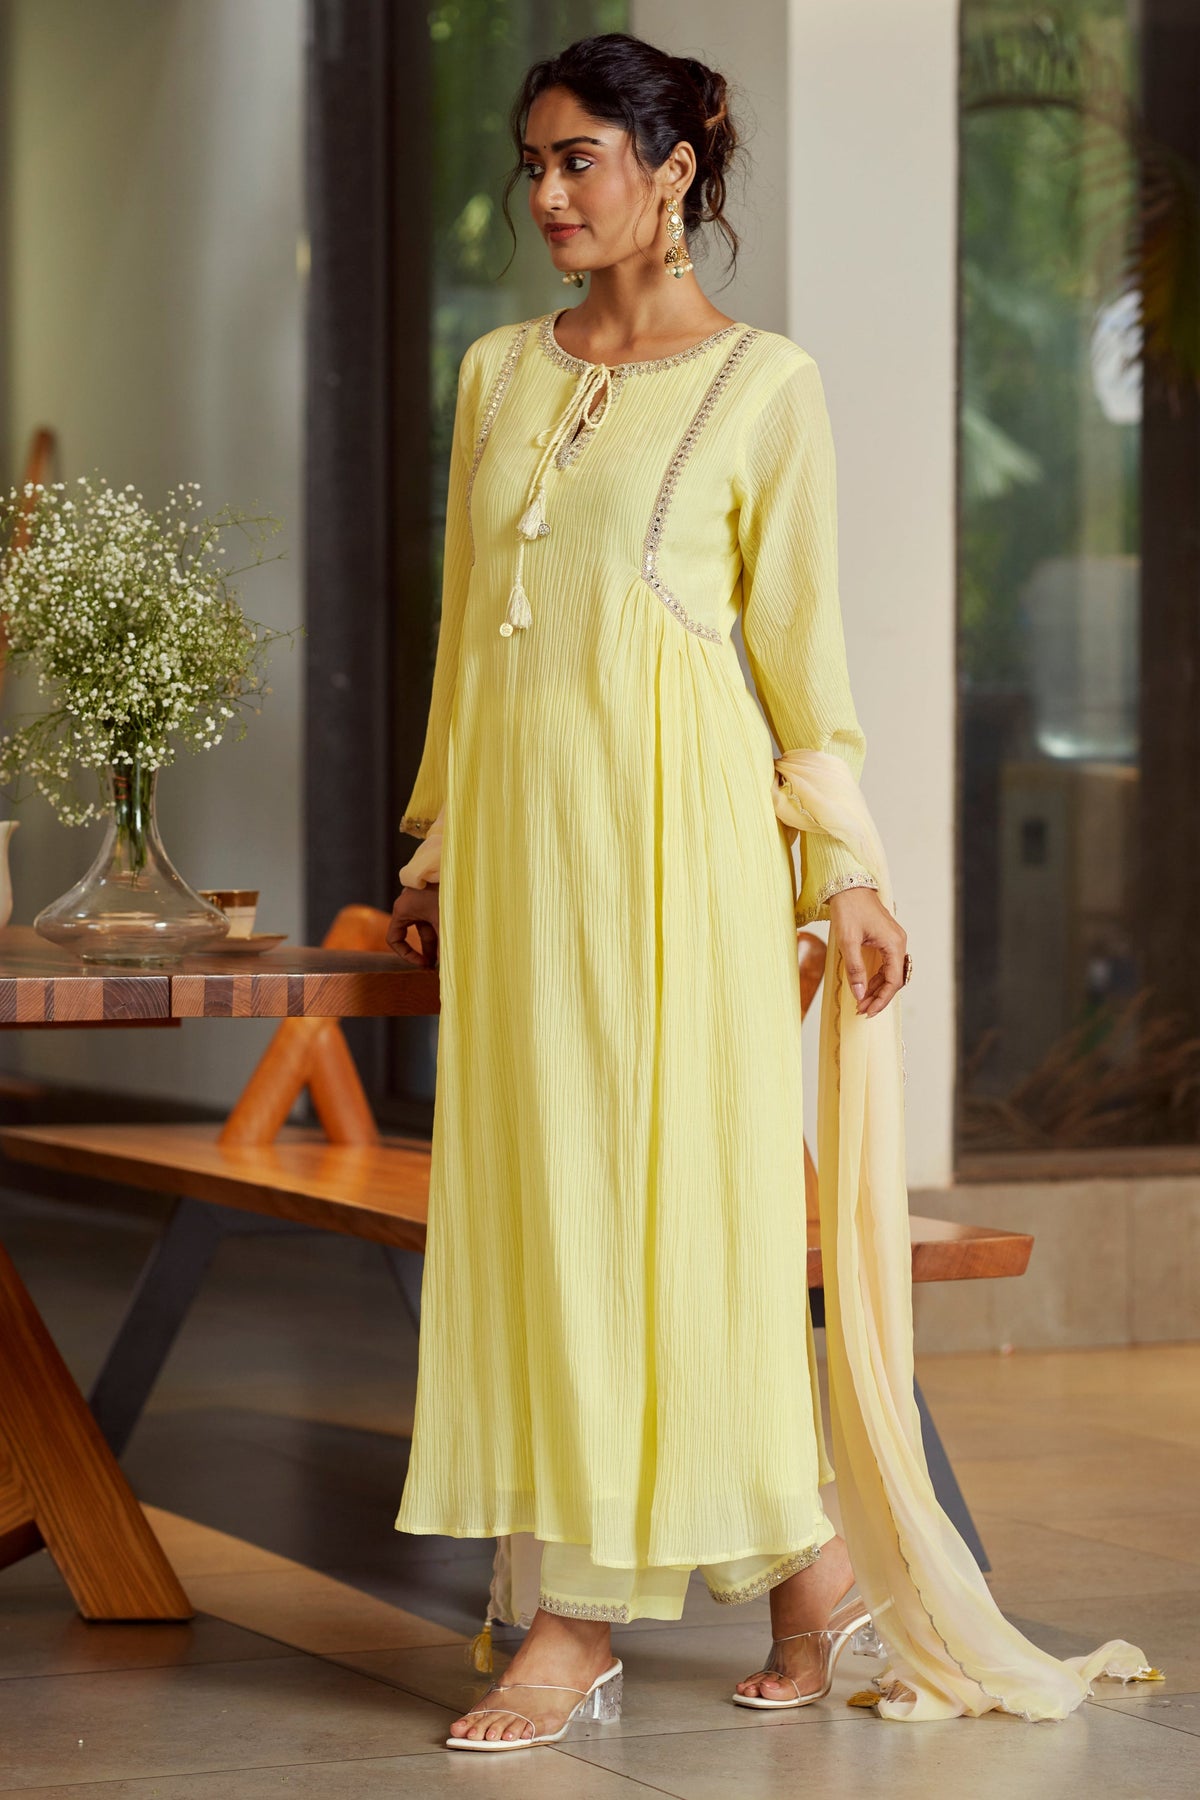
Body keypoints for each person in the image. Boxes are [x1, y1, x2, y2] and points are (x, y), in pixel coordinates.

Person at [388, 31, 1147, 1753]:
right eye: (534, 163)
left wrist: (848, 871)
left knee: (685, 1230)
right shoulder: (500, 372)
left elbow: (800, 658)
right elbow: (462, 641)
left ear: (671, 171)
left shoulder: (764, 389)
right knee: (547, 1213)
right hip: (528, 865)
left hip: (687, 861)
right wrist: (434, 844)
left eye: (580, 158)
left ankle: (572, 1625)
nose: (546, 193)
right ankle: (813, 1586)